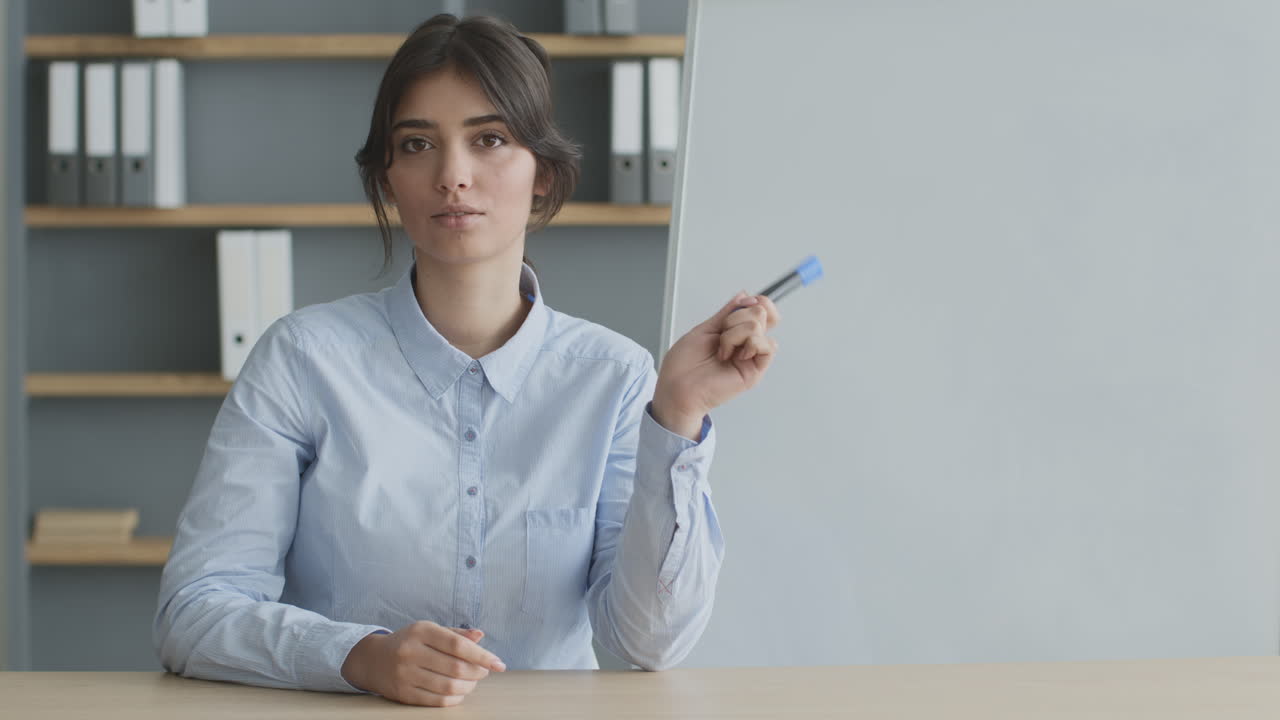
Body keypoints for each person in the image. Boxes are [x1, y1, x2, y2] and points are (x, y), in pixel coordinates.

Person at [153, 13, 780, 708]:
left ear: (543, 174)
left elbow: (648, 641)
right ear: (388, 178)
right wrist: (359, 656)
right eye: (417, 144)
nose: (452, 176)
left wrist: (679, 417)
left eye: (490, 139)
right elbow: (194, 612)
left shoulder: (616, 378)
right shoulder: (302, 361)